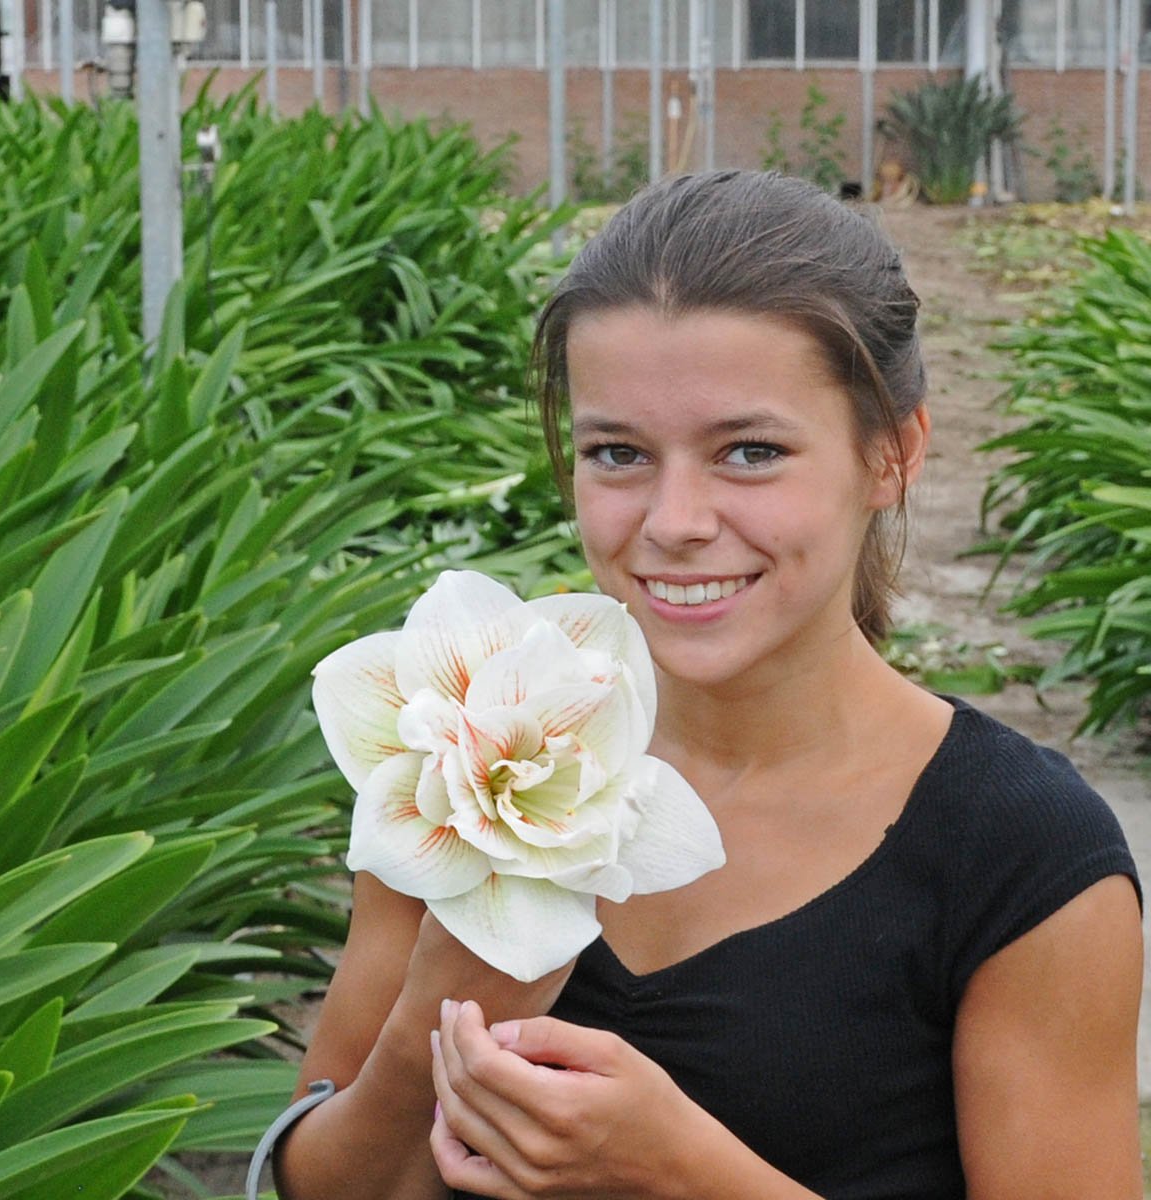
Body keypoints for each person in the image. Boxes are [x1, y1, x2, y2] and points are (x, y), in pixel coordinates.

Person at [273, 170, 1143, 1200]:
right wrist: (432, 1027)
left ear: (892, 455)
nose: (675, 521)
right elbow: (321, 1184)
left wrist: (680, 1171)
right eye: (618, 453)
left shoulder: (1020, 854)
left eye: (749, 451)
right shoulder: (476, 756)